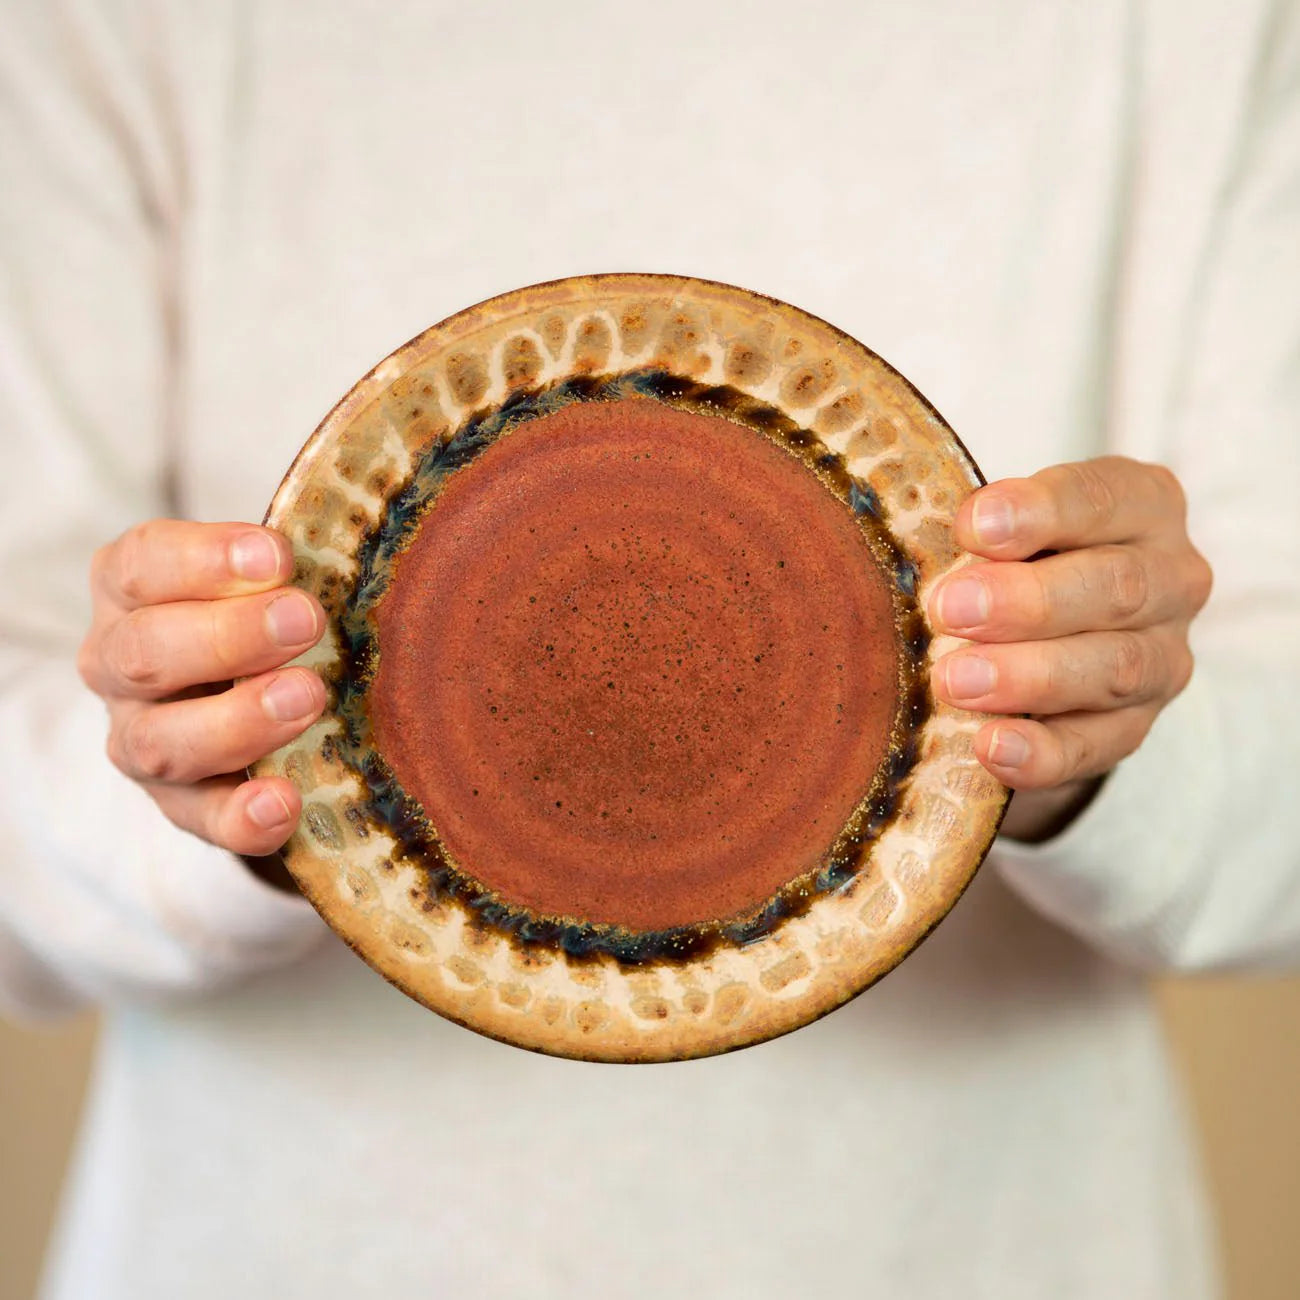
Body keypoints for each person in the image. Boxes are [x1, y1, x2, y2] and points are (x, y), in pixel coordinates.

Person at [2, 1, 1297, 1296]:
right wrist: (221, 791)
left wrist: (1080, 747)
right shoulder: (117, 28)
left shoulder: (1186, 29)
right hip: (271, 1253)